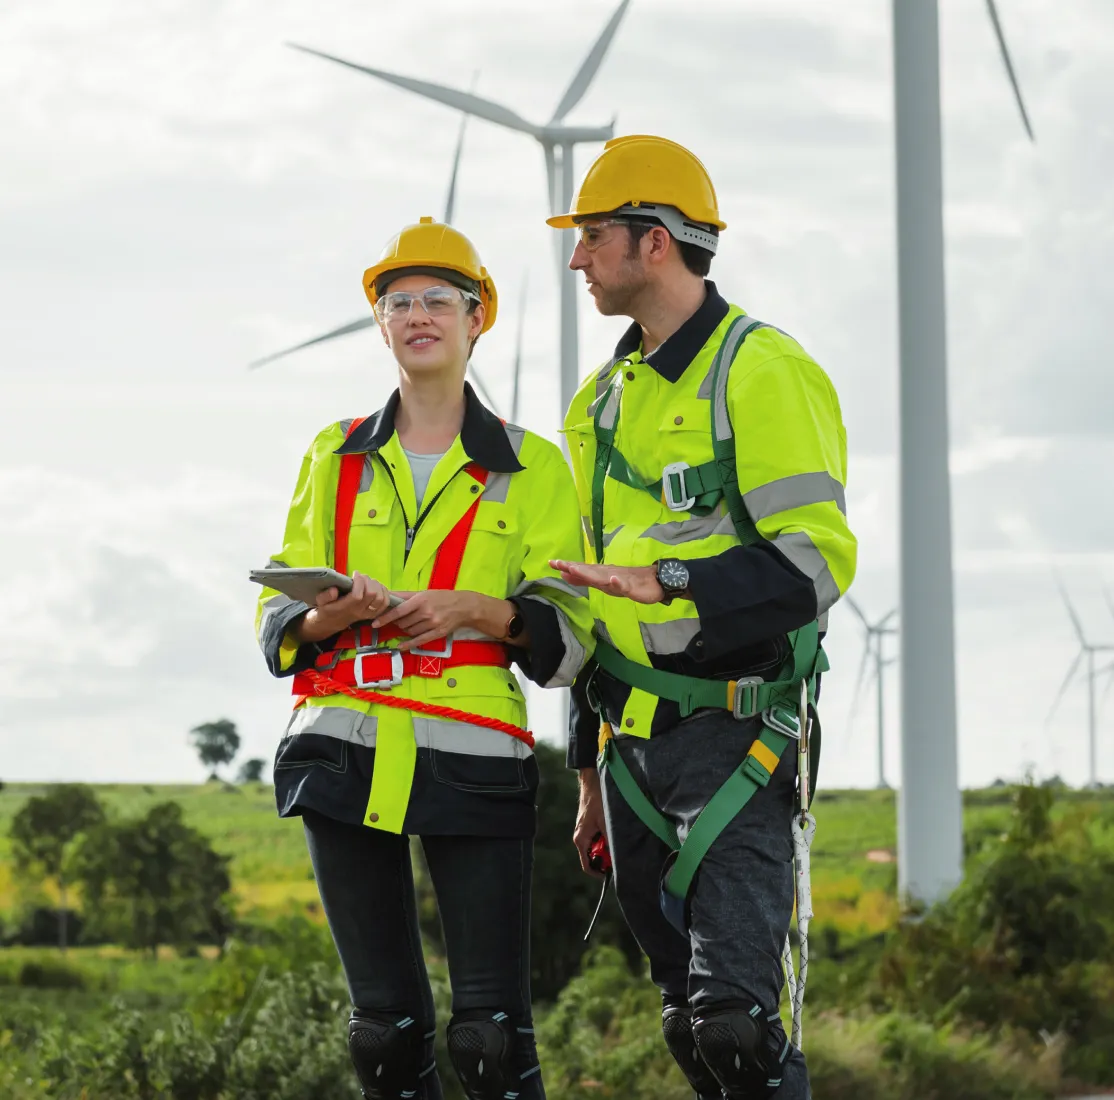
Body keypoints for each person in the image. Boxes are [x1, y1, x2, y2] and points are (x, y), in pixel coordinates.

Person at [254, 217, 592, 1100]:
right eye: (397, 302)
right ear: (380, 326)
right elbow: (275, 616)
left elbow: (570, 634)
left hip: (472, 751)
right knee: (382, 1036)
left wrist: (476, 608)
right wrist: (329, 614)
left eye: (439, 299)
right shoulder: (332, 454)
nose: (417, 316)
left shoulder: (534, 467)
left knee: (489, 1037)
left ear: (478, 319)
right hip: (341, 746)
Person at [547, 136, 857, 1100]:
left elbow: (816, 563)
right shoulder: (596, 405)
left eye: (594, 235)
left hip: (735, 731)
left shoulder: (761, 370)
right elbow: (589, 604)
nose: (577, 258)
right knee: (689, 1023)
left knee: (736, 1028)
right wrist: (587, 771)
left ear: (656, 241)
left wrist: (676, 580)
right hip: (628, 748)